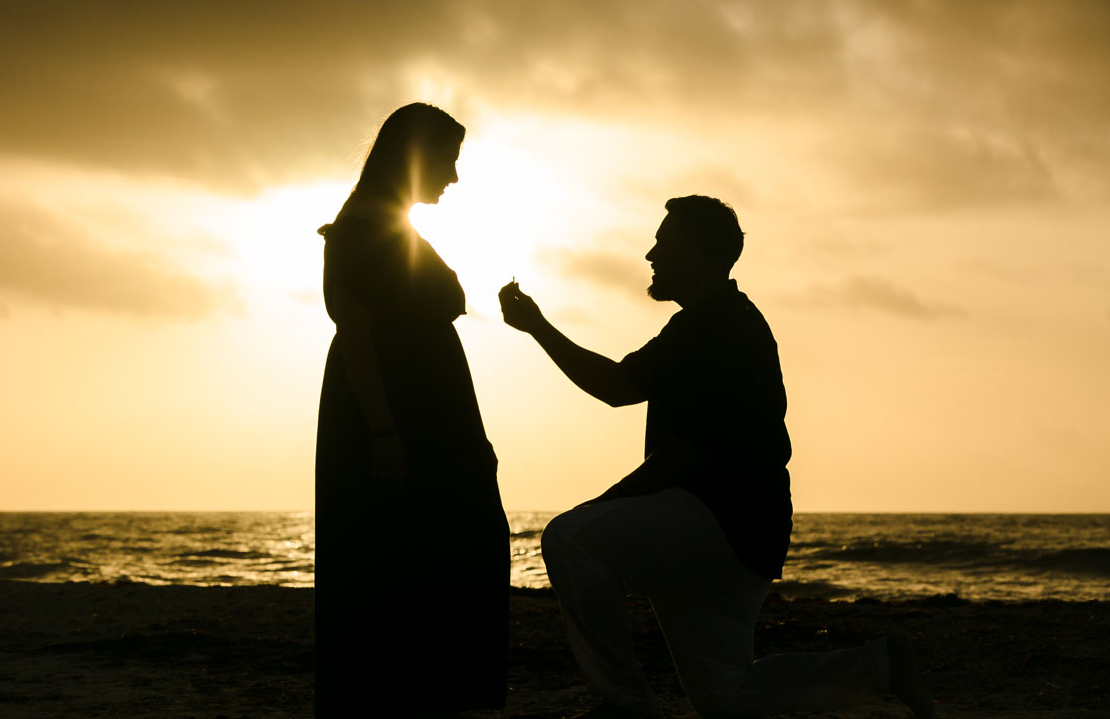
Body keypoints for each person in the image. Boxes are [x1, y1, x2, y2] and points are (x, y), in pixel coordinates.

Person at [498, 195, 934, 719]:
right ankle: (879, 667)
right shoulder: (712, 323)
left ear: (698, 252)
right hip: (748, 532)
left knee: (570, 538)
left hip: (719, 524)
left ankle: (625, 705)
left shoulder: (716, 327)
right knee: (725, 699)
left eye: (664, 241)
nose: (650, 254)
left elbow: (622, 392)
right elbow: (627, 391)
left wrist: (538, 327)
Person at [317, 103, 508, 717]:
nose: (453, 177)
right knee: (410, 552)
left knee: (450, 545)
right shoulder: (362, 230)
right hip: (397, 417)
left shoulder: (389, 225)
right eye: (447, 160)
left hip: (427, 414)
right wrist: (382, 431)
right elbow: (356, 336)